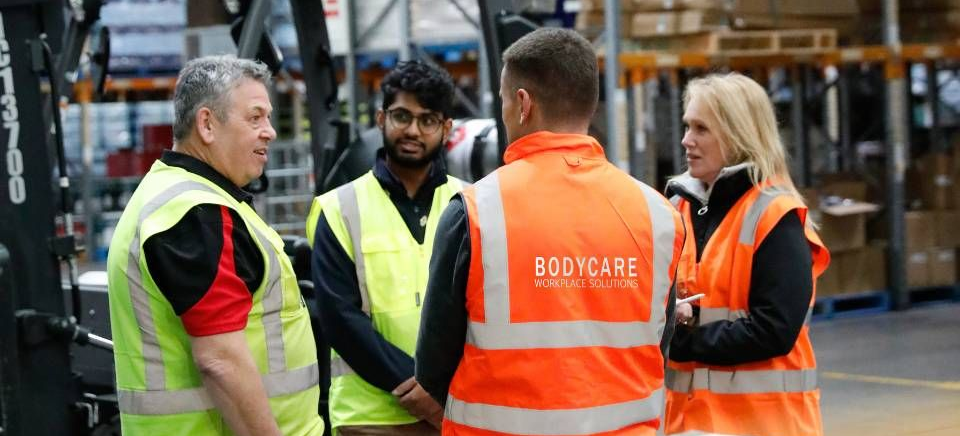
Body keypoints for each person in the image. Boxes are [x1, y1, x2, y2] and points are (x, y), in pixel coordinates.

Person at [415, 28, 685, 436]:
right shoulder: (659, 215)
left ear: (523, 104)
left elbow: (433, 365)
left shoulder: (475, 211)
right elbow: (658, 348)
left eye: (505, 102)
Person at [107, 55, 324, 436]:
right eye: (255, 117)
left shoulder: (183, 197)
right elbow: (220, 361)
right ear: (206, 124)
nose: (270, 131)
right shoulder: (197, 214)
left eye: (269, 118)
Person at [662, 72, 830, 436]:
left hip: (765, 424)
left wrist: (683, 339)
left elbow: (774, 330)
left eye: (701, 129)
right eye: (687, 126)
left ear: (738, 135)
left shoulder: (775, 214)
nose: (686, 140)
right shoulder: (677, 208)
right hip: (691, 422)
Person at [305, 60, 464, 436]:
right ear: (380, 119)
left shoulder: (470, 203)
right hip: (371, 419)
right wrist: (420, 389)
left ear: (446, 129)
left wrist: (443, 398)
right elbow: (340, 319)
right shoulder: (339, 208)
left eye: (427, 120)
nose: (412, 130)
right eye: (401, 116)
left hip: (458, 411)